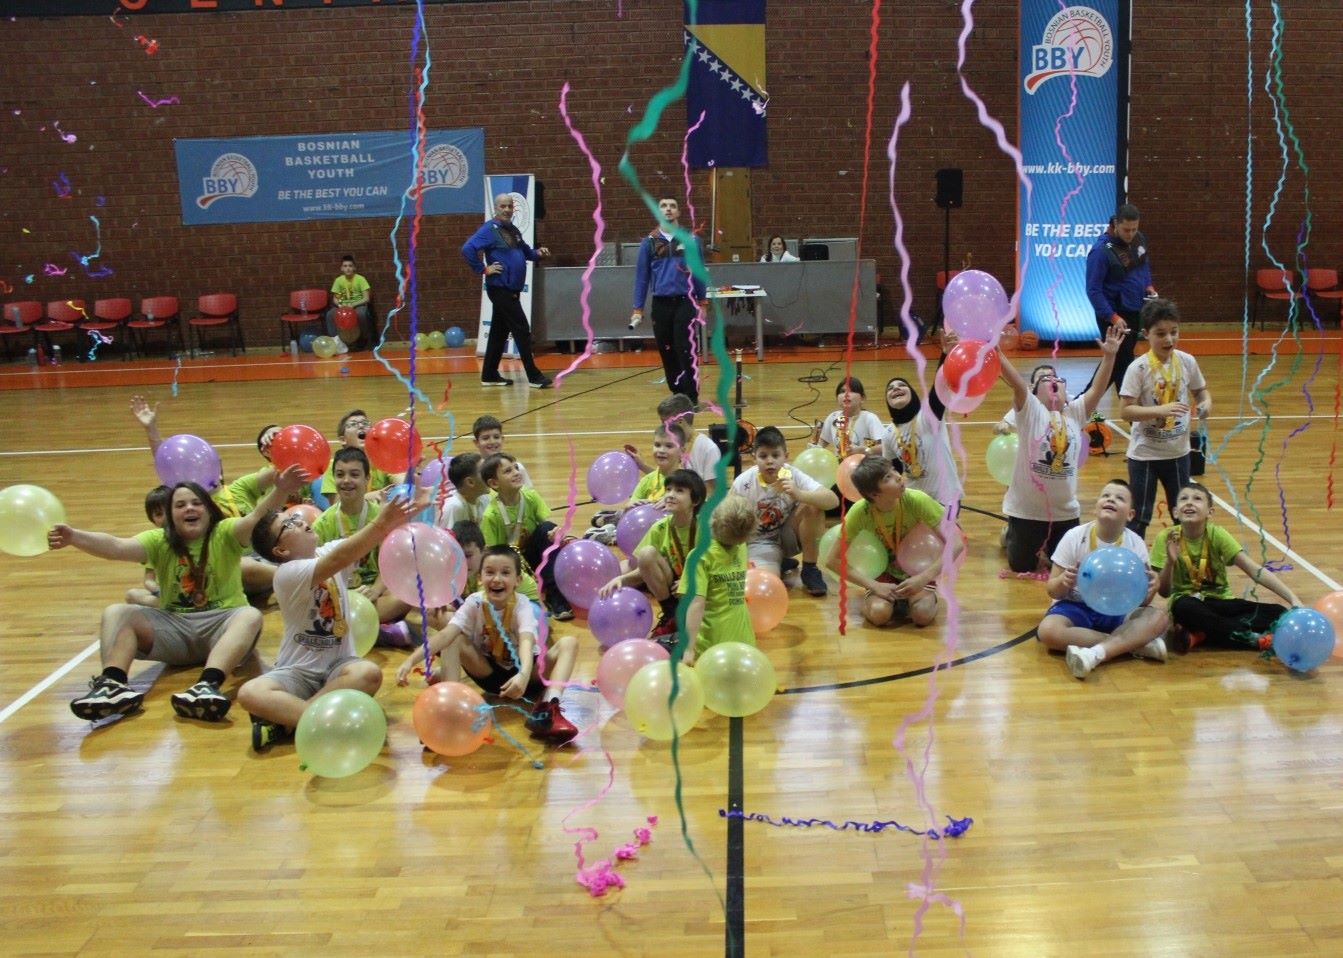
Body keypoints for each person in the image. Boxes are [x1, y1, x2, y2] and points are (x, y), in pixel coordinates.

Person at [51, 465, 307, 723]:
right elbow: (116, 547)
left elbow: (255, 517)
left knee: (250, 615)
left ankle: (206, 686)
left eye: (197, 503)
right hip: (175, 630)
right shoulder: (158, 540)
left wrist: (281, 490)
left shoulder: (225, 533)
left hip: (222, 627)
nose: (189, 509)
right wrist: (74, 537)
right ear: (170, 515)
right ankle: (113, 686)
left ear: (209, 510)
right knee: (117, 612)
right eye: (180, 505)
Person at [240, 488, 420, 751]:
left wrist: (406, 510)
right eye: (288, 524)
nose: (300, 520)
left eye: (295, 517)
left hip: (340, 668)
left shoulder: (327, 551)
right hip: (296, 672)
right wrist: (381, 520)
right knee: (249, 693)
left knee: (368, 673)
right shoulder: (287, 574)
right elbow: (344, 555)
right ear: (280, 549)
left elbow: (363, 542)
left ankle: (288, 721)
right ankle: (330, 722)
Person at [396, 545, 579, 745]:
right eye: (490, 572)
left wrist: (524, 675)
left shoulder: (522, 604)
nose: (497, 579)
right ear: (480, 578)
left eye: (505, 572)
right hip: (489, 674)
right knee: (452, 636)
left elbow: (526, 641)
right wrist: (410, 660)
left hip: (528, 675)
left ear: (518, 580)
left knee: (569, 643)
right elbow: (445, 635)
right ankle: (451, 710)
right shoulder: (474, 602)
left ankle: (548, 709)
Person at [998, 324, 1123, 573]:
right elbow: (1014, 381)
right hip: (1027, 511)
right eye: (1046, 380)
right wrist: (994, 349)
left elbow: (1098, 389)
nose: (1053, 382)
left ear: (1067, 394)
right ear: (1034, 393)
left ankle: (1017, 535)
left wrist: (1109, 356)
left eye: (1058, 380)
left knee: (1066, 566)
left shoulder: (1075, 412)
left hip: (1064, 512)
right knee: (1022, 566)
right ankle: (1010, 532)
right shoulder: (1031, 411)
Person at [1037, 479, 1170, 679]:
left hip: (1117, 610)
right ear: (1097, 506)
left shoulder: (1136, 544)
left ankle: (1094, 654)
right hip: (1076, 606)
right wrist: (1064, 581)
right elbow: (1052, 590)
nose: (1111, 500)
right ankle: (1132, 645)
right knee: (1047, 631)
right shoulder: (1074, 536)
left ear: (1131, 515)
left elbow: (1141, 602)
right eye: (1106, 496)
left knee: (1159, 618)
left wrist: (1151, 589)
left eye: (1119, 498)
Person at [1150, 482, 1302, 652]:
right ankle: (1250, 640)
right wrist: (1170, 562)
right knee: (1184, 608)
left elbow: (1253, 570)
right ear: (1175, 512)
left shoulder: (1218, 534)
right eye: (1184, 499)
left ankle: (1202, 634)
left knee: (1279, 613)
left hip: (1221, 603)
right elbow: (1164, 592)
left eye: (1197, 499)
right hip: (1188, 605)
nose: (1190, 502)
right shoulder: (1166, 537)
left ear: (1210, 512)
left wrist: (1292, 598)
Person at [824, 456, 958, 628]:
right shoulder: (860, 512)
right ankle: (883, 600)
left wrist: (923, 578)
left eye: (893, 470)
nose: (897, 476)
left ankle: (922, 598)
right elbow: (832, 560)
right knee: (880, 615)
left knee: (922, 615)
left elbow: (956, 543)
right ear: (874, 494)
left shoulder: (916, 500)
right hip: (882, 571)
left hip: (916, 569)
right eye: (887, 477)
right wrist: (874, 585)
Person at [1118, 298, 1211, 538]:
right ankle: (1134, 565)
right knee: (1138, 517)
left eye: (1174, 332)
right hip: (1144, 455)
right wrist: (1160, 410)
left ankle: (1185, 564)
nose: (1169, 339)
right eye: (1161, 334)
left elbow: (1201, 391)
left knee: (1183, 515)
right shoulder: (1138, 368)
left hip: (1178, 455)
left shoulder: (1187, 361)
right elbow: (1125, 410)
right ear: (1146, 334)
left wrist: (1205, 403)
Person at [598, 468, 707, 648]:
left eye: (679, 491)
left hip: (700, 590)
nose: (670, 495)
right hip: (673, 589)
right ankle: (671, 614)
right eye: (669, 489)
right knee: (647, 553)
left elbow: (714, 567)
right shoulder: (660, 528)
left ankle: (693, 620)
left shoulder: (705, 527)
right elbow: (645, 569)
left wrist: (689, 582)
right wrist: (621, 579)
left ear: (695, 500)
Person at [461, 192, 553, 389]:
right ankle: (533, 376)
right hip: (500, 288)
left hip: (510, 288)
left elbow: (527, 253)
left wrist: (539, 253)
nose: (507, 210)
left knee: (498, 332)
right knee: (521, 329)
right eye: (503, 206)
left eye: (510, 206)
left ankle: (489, 374)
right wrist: (483, 269)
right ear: (496, 208)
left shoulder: (513, 230)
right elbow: (467, 248)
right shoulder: (489, 229)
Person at [730, 426, 836, 596]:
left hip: (787, 536)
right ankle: (778, 561)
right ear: (753, 458)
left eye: (775, 455)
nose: (770, 461)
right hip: (758, 543)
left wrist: (799, 494)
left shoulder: (793, 475)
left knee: (814, 504)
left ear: (785, 456)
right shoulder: (743, 483)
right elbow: (727, 519)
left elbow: (832, 500)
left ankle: (810, 568)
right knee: (764, 586)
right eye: (763, 456)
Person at [630, 196, 707, 404]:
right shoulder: (649, 243)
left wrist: (703, 301)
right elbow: (642, 277)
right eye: (663, 206)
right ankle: (677, 393)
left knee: (685, 348)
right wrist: (637, 307)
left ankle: (691, 395)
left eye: (673, 206)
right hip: (661, 304)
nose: (668, 209)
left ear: (678, 212)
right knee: (667, 349)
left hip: (685, 302)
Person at [479, 451, 573, 621]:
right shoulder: (491, 515)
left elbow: (546, 526)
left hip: (532, 556)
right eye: (508, 471)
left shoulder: (530, 496)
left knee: (547, 528)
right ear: (494, 483)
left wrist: (556, 533)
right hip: (510, 563)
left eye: (516, 467)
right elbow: (493, 553)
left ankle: (554, 595)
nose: (516, 472)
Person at [677, 495, 758, 665]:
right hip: (744, 640)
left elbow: (696, 604)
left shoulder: (700, 556)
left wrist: (689, 649)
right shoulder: (741, 547)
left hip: (711, 644)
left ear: (712, 522)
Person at [1085, 203, 1156, 394]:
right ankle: (1135, 415)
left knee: (1115, 362)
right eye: (1126, 229)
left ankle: (1078, 406)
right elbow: (1093, 290)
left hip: (1134, 310)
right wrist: (1113, 317)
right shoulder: (1101, 251)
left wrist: (1148, 285)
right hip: (1113, 315)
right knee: (1123, 364)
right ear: (1115, 224)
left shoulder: (1139, 239)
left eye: (1134, 229)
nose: (1131, 234)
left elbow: (1143, 267)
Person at [881, 376, 961, 509]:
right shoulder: (888, 434)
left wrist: (944, 355)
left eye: (902, 385)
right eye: (890, 388)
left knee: (946, 530)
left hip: (945, 498)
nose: (895, 388)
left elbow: (939, 386)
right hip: (914, 501)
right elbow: (894, 471)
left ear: (912, 393)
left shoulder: (928, 415)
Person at [319, 409, 395, 499]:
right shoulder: (335, 466)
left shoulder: (383, 460)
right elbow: (336, 504)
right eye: (353, 424)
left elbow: (402, 481)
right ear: (343, 440)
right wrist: (370, 496)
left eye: (365, 423)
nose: (361, 426)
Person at [811, 377, 885, 458]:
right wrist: (815, 448)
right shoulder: (833, 417)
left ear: (862, 398)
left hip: (866, 467)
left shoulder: (869, 418)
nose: (846, 394)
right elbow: (823, 440)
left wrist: (861, 450)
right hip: (841, 467)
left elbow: (883, 447)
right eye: (842, 392)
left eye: (852, 391)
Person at [126, 485, 171, 608]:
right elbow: (148, 580)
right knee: (131, 595)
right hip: (164, 595)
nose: (165, 517)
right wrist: (158, 591)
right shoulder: (154, 543)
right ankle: (169, 607)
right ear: (153, 520)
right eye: (159, 514)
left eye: (169, 510)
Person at [471, 415, 534, 488]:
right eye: (485, 438)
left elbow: (529, 493)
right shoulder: (474, 472)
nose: (492, 441)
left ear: (502, 439)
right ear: (476, 442)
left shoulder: (518, 468)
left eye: (496, 437)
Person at [326, 253, 372, 352]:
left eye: (350, 266)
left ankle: (363, 340)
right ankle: (336, 341)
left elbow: (366, 298)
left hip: (357, 305)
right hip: (342, 306)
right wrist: (340, 305)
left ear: (354, 268)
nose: (348, 268)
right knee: (330, 314)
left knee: (361, 314)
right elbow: (335, 298)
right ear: (341, 268)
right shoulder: (338, 281)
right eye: (345, 266)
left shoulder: (360, 279)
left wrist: (353, 305)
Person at [437, 453, 490, 530]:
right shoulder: (453, 507)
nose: (490, 475)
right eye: (484, 472)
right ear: (470, 482)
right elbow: (447, 540)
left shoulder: (484, 498)